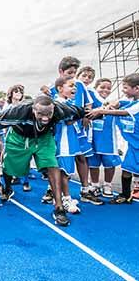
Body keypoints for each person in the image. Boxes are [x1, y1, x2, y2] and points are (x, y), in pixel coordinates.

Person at [0, 94, 86, 226]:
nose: (45, 118)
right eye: (40, 114)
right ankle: (7, 188)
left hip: (44, 139)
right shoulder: (18, 112)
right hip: (19, 138)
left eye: (49, 114)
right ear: (33, 109)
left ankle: (59, 208)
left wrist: (95, 114)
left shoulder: (61, 110)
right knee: (10, 168)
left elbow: (80, 112)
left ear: (53, 109)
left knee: (52, 166)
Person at [46, 56, 103, 205]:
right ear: (61, 71)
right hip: (62, 130)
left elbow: (89, 104)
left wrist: (86, 116)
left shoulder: (79, 86)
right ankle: (55, 190)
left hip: (78, 129)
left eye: (74, 72)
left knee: (81, 157)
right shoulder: (54, 88)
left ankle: (85, 190)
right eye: (69, 72)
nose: (73, 76)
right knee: (60, 159)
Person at [87, 73, 139, 203]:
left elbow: (124, 112)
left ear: (136, 88)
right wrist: (111, 104)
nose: (123, 90)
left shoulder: (136, 106)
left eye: (126, 88)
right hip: (134, 145)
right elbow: (119, 103)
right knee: (127, 169)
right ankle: (125, 195)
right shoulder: (128, 102)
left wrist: (101, 111)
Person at [53, 77, 83, 216]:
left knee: (65, 172)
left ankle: (62, 197)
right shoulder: (59, 104)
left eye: (75, 86)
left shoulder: (66, 102)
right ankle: (65, 199)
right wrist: (82, 113)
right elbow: (69, 121)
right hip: (62, 142)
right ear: (60, 88)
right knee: (64, 172)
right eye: (71, 85)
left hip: (68, 142)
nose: (74, 88)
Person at [87, 78, 121, 198]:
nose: (105, 90)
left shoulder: (114, 103)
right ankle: (95, 184)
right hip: (93, 138)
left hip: (108, 139)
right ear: (96, 88)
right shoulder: (91, 99)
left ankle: (107, 185)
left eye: (108, 88)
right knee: (93, 163)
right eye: (102, 87)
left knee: (109, 163)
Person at [5, 84, 34, 192]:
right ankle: (9, 185)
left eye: (20, 92)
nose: (18, 94)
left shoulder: (25, 106)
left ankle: (25, 182)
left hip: (23, 136)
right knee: (9, 159)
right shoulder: (7, 107)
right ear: (11, 93)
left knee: (25, 158)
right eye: (16, 91)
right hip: (11, 135)